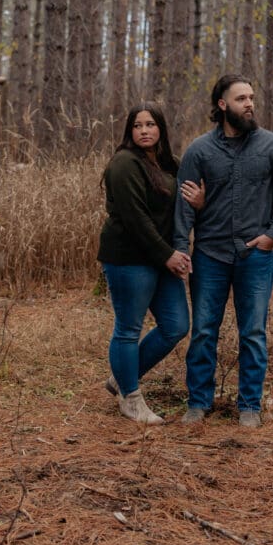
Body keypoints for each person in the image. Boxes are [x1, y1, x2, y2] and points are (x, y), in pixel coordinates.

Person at [175, 75, 273, 429]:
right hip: (209, 255)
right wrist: (182, 248)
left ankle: (250, 407)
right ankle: (198, 402)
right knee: (203, 331)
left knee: (254, 333)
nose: (250, 104)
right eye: (241, 98)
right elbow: (184, 205)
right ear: (222, 105)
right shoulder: (199, 151)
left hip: (254, 256)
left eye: (252, 97)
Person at [98, 103, 203, 425]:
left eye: (151, 124)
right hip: (130, 258)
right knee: (129, 328)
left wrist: (199, 203)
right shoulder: (124, 163)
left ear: (161, 129)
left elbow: (181, 210)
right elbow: (135, 219)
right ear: (130, 131)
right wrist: (168, 255)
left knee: (176, 326)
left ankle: (122, 376)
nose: (144, 131)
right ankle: (130, 399)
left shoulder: (171, 164)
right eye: (137, 125)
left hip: (161, 258)